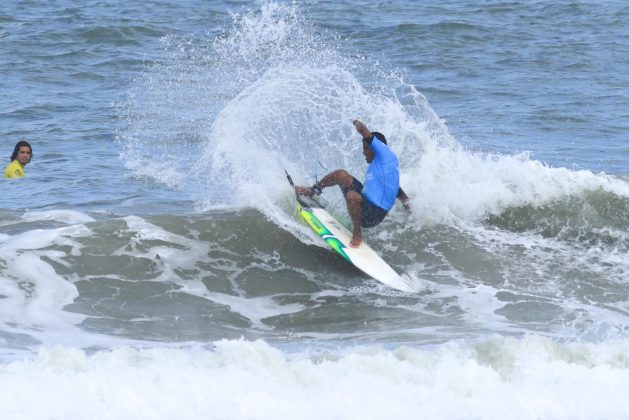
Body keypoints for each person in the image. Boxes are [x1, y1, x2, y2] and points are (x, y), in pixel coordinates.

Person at [294, 119, 410, 247]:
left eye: (366, 148)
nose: (363, 152)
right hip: (365, 201)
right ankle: (312, 191)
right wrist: (410, 210)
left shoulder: (385, 154)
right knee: (340, 175)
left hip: (373, 214)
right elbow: (399, 192)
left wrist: (354, 121)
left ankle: (357, 234)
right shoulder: (383, 167)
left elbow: (362, 130)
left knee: (352, 196)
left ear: (375, 148)